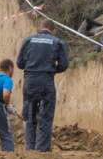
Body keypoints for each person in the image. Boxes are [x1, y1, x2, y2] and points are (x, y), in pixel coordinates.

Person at [16, 19, 69, 152]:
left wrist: (31, 67)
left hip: (30, 80)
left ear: (40, 27)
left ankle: (30, 149)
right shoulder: (57, 42)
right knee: (45, 115)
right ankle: (42, 150)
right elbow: (64, 65)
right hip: (46, 80)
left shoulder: (28, 40)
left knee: (29, 114)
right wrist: (51, 70)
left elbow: (19, 63)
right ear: (53, 30)